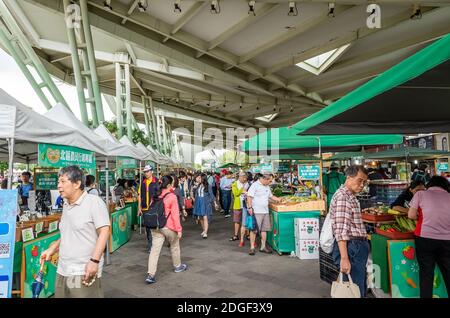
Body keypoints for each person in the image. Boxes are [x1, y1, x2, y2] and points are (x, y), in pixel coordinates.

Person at [40, 166, 110, 298]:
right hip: (63, 269)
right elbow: (68, 233)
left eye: (63, 181)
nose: (59, 186)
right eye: (58, 182)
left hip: (83, 270)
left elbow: (105, 232)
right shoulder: (66, 204)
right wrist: (53, 248)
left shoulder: (94, 202)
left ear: (77, 184)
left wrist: (94, 261)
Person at [408, 176, 450, 298]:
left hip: (424, 238)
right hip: (447, 240)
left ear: (429, 185)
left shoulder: (421, 194)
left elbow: (411, 215)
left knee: (426, 274)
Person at [330, 165, 369, 297]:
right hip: (351, 247)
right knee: (353, 289)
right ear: (348, 177)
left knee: (355, 288)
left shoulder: (350, 196)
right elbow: (341, 231)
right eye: (360, 180)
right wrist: (344, 258)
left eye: (364, 182)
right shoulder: (343, 197)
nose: (362, 185)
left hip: (354, 246)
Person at [146, 175, 188, 284]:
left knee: (154, 250)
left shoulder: (156, 195)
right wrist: (179, 230)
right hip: (167, 227)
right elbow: (175, 215)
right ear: (169, 184)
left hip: (155, 226)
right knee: (174, 245)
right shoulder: (172, 197)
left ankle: (151, 274)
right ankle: (178, 266)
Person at [246, 174, 283, 256]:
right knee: (254, 230)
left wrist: (279, 199)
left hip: (265, 211)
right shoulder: (255, 185)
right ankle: (252, 247)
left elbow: (271, 196)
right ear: (264, 179)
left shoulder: (267, 186)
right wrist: (250, 207)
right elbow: (249, 197)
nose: (270, 182)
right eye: (269, 181)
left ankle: (263, 247)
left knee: (264, 230)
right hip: (257, 211)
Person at [137, 165, 159, 253]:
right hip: (145, 208)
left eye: (147, 171)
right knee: (148, 228)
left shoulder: (157, 182)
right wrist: (139, 207)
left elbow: (160, 194)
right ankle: (150, 245)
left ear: (152, 171)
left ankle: (155, 245)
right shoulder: (143, 182)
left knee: (154, 226)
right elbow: (139, 195)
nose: (146, 173)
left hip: (154, 208)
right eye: (145, 172)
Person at [192, 174, 214, 238]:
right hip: (198, 202)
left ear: (203, 179)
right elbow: (195, 194)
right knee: (201, 217)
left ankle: (205, 232)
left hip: (205, 202)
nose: (198, 179)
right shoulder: (198, 185)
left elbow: (211, 196)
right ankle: (204, 230)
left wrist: (209, 202)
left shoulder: (208, 186)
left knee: (205, 217)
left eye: (200, 178)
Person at [230, 172, 249, 242]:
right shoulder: (234, 184)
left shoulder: (247, 184)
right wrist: (242, 189)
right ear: (240, 177)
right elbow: (236, 194)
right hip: (237, 205)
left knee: (246, 221)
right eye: (244, 178)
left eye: (245, 178)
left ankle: (247, 234)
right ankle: (236, 235)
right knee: (237, 221)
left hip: (246, 204)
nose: (245, 179)